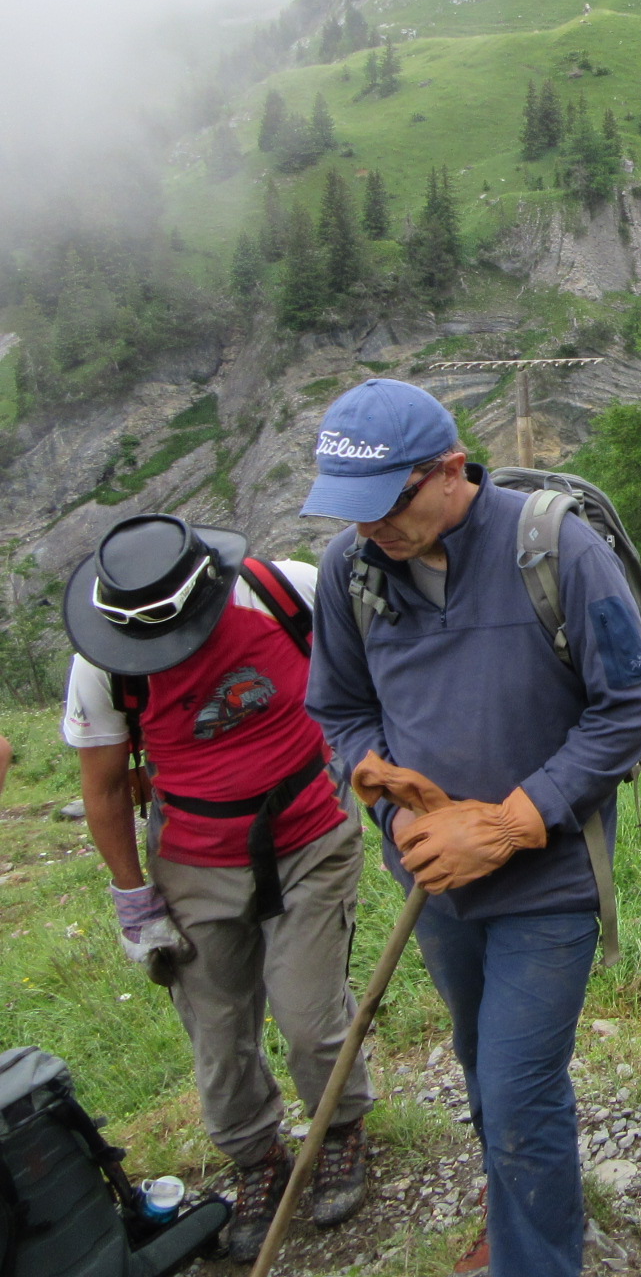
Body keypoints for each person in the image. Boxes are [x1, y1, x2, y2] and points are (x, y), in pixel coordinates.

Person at [301, 378, 641, 1277]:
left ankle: (533, 1257)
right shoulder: (351, 570)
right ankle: (522, 1210)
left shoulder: (558, 549)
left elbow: (628, 708)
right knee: (478, 1057)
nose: (370, 526)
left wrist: (507, 823)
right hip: (433, 881)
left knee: (517, 1083)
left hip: (549, 879)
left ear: (451, 469)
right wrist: (384, 796)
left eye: (389, 503)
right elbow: (338, 709)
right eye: (353, 508)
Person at [59, 514, 371, 1263]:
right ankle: (256, 1157)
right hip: (192, 860)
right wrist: (135, 900)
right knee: (217, 1030)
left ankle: (340, 1128)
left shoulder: (286, 592)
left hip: (311, 832)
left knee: (309, 1014)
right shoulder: (104, 663)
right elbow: (105, 789)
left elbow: (371, 671)